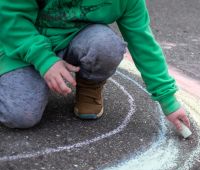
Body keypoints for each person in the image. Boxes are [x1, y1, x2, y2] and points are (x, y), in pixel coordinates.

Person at [0, 0, 189, 131]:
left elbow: (143, 43)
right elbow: (11, 19)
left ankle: (89, 85)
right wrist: (44, 60)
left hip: (73, 39)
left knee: (106, 46)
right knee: (20, 116)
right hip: (20, 44)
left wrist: (169, 102)